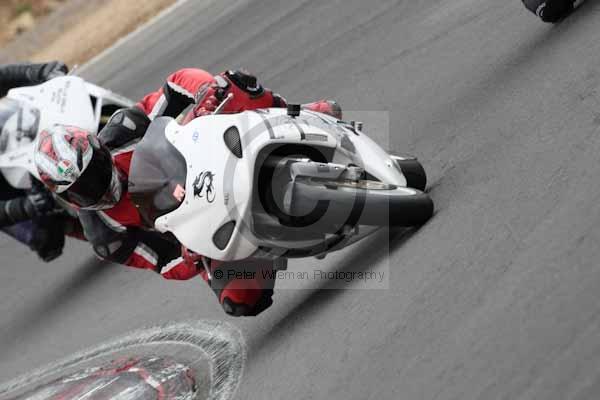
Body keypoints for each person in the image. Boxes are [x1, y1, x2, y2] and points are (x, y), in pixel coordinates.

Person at [34, 68, 342, 316]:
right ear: (67, 199)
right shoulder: (104, 236)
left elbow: (176, 83)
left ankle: (300, 116)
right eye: (81, 191)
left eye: (94, 173)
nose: (95, 188)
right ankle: (271, 242)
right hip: (203, 227)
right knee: (241, 300)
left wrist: (204, 93)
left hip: (209, 159)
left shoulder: (124, 129)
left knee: (229, 85)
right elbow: (162, 262)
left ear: (100, 149)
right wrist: (188, 257)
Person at [0, 61, 69, 261]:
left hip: (13, 140)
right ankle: (51, 226)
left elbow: (4, 76)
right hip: (6, 193)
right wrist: (26, 207)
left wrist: (43, 71)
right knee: (45, 237)